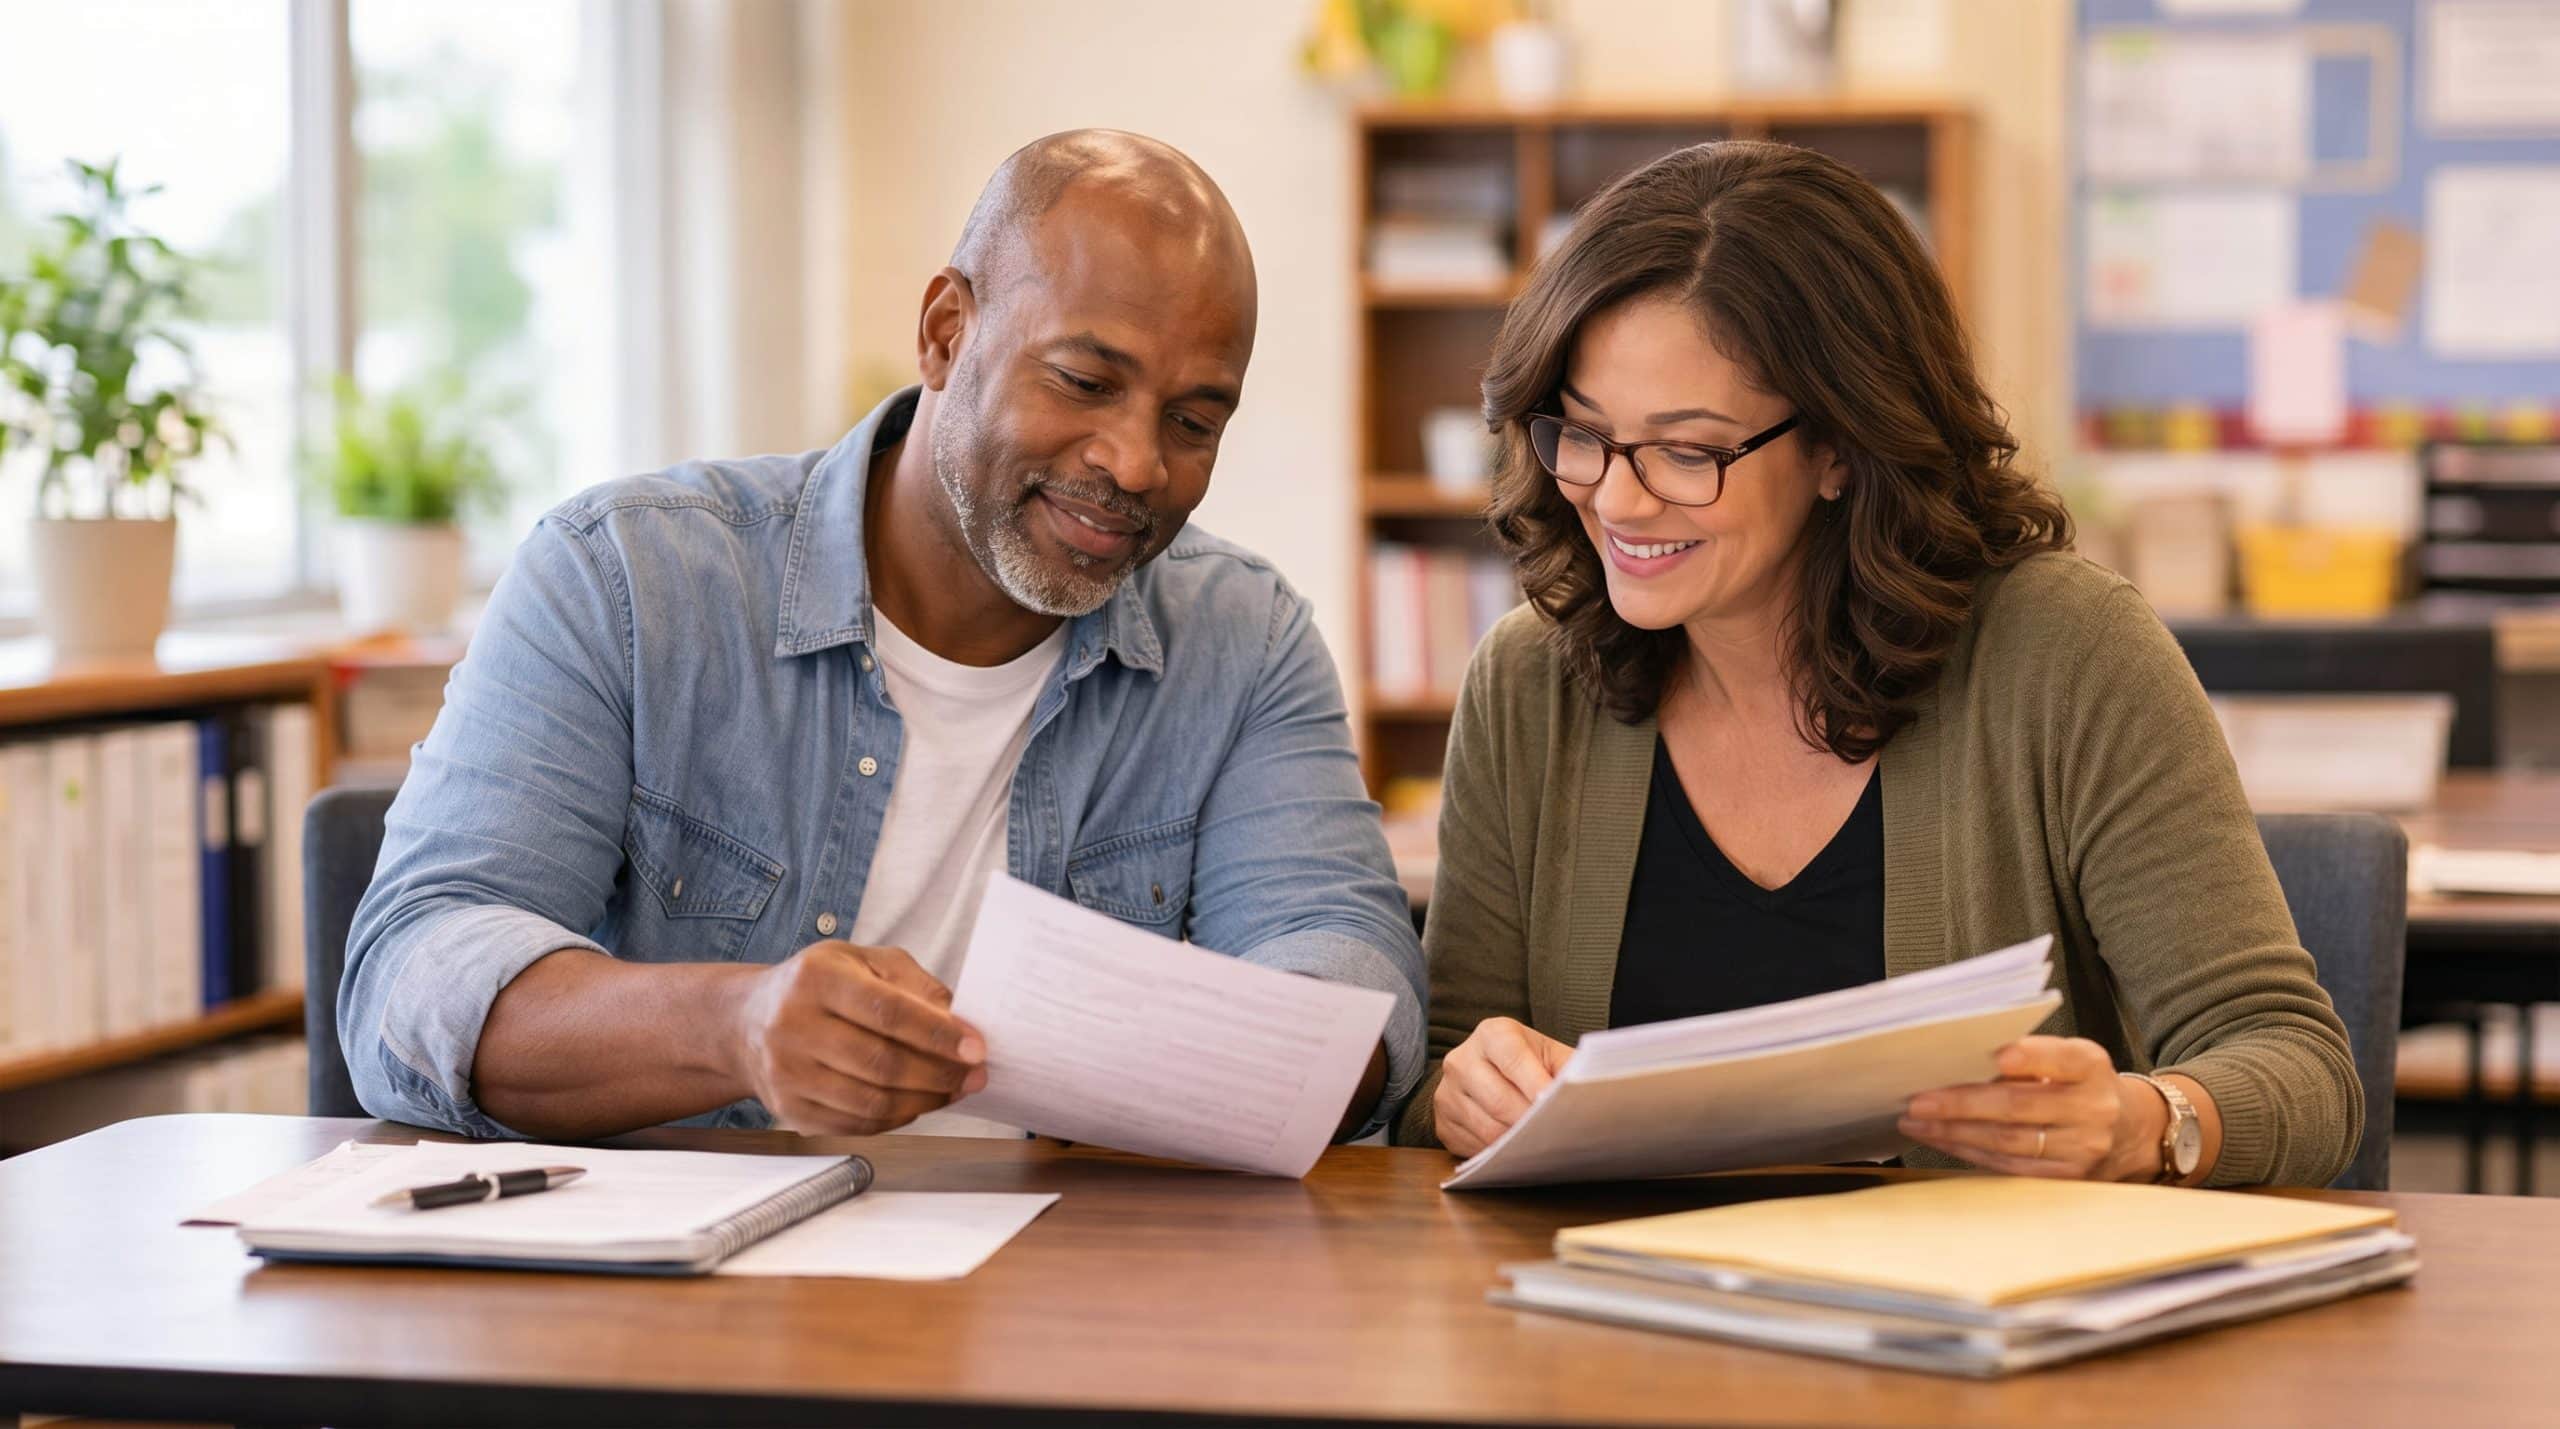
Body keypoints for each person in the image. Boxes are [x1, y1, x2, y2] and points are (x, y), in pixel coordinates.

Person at [341, 129, 1423, 1143]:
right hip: (690, 1308)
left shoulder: (1242, 639)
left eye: (1192, 422)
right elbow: (414, 977)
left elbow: (1349, 968)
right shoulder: (624, 577)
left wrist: (1290, 1042)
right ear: (946, 333)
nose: (1137, 463)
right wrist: (736, 1025)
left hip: (1078, 1293)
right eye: (1085, 382)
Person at [1393, 140, 2361, 1187]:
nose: (1617, 500)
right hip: (1615, 1320)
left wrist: (2145, 1121)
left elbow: (2300, 1070)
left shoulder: (2065, 655)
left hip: (1964, 1326)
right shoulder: (1530, 684)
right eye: (1581, 435)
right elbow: (1441, 1074)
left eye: (1687, 450)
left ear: (1841, 449)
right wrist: (1459, 1088)